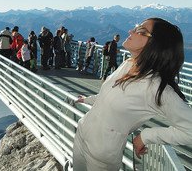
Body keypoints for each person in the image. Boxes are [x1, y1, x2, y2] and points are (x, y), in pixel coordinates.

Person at [73, 18, 192, 171]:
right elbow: (110, 96)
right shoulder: (128, 63)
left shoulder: (155, 88)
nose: (131, 31)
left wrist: (146, 136)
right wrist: (88, 100)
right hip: (82, 135)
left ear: (155, 44)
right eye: (136, 27)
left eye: (141, 31)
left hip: (102, 156)